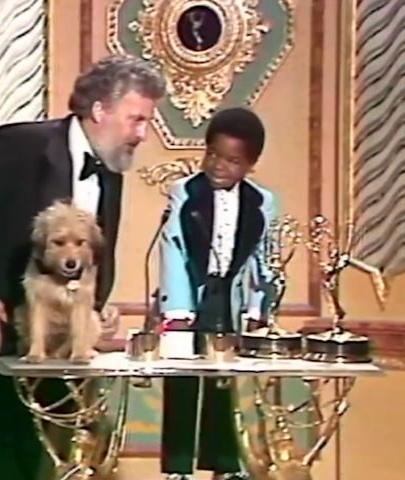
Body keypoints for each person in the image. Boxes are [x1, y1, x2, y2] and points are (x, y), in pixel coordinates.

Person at [0, 54, 165, 480]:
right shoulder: (21, 147)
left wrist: (91, 311)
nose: (143, 134)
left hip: (38, 364)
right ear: (100, 110)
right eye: (137, 120)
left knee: (20, 469)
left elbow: (89, 255)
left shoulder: (110, 168)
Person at [157, 107, 277, 480]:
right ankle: (177, 467)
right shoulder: (185, 192)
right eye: (213, 154)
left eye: (232, 160)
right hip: (194, 290)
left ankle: (223, 463)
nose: (218, 166)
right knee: (182, 373)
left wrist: (259, 308)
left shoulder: (262, 202)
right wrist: (177, 309)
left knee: (224, 376)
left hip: (231, 296)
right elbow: (172, 248)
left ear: (250, 165)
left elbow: (264, 258)